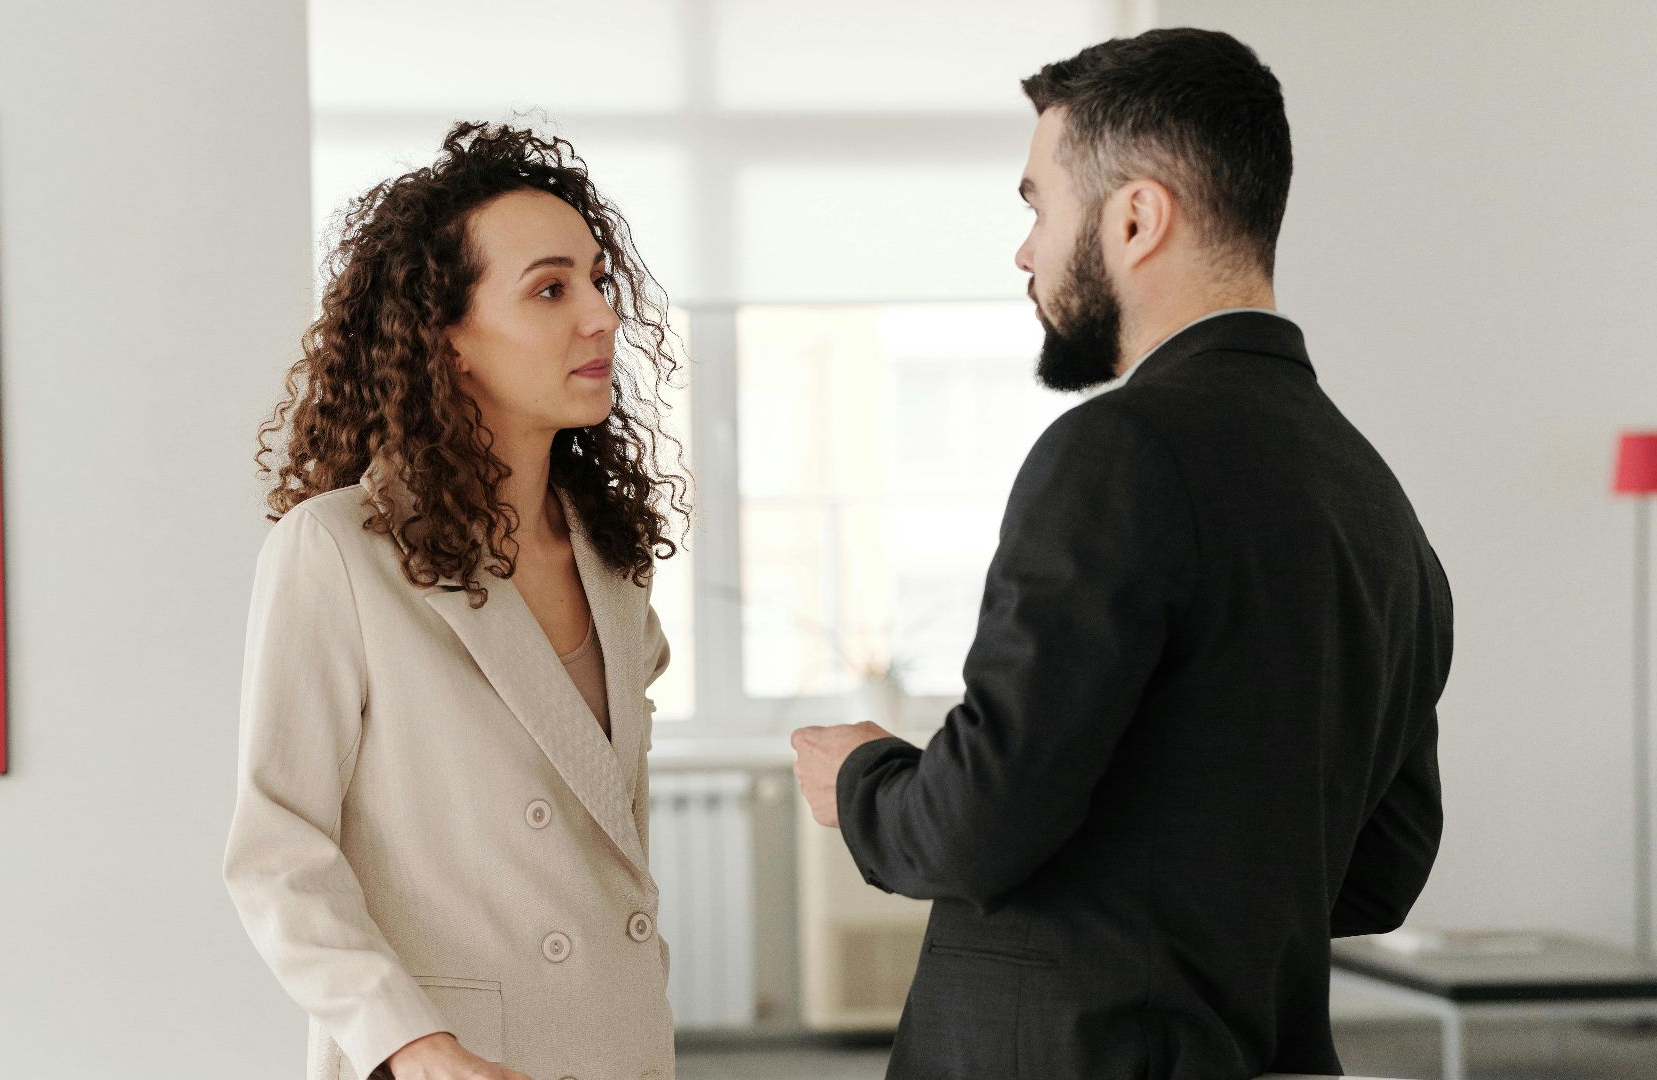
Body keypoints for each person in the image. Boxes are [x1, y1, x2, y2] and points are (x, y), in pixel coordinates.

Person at [790, 28, 1452, 1079]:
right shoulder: (1375, 498)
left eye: (1037, 207)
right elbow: (1381, 872)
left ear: (1137, 218)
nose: (1025, 252)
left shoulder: (1116, 452)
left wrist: (861, 780)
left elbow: (972, 828)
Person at [224, 120, 689, 1080]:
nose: (600, 316)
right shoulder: (338, 551)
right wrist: (409, 1041)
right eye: (550, 289)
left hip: (621, 1044)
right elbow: (277, 849)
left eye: (598, 280)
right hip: (457, 1060)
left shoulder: (611, 559)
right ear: (447, 336)